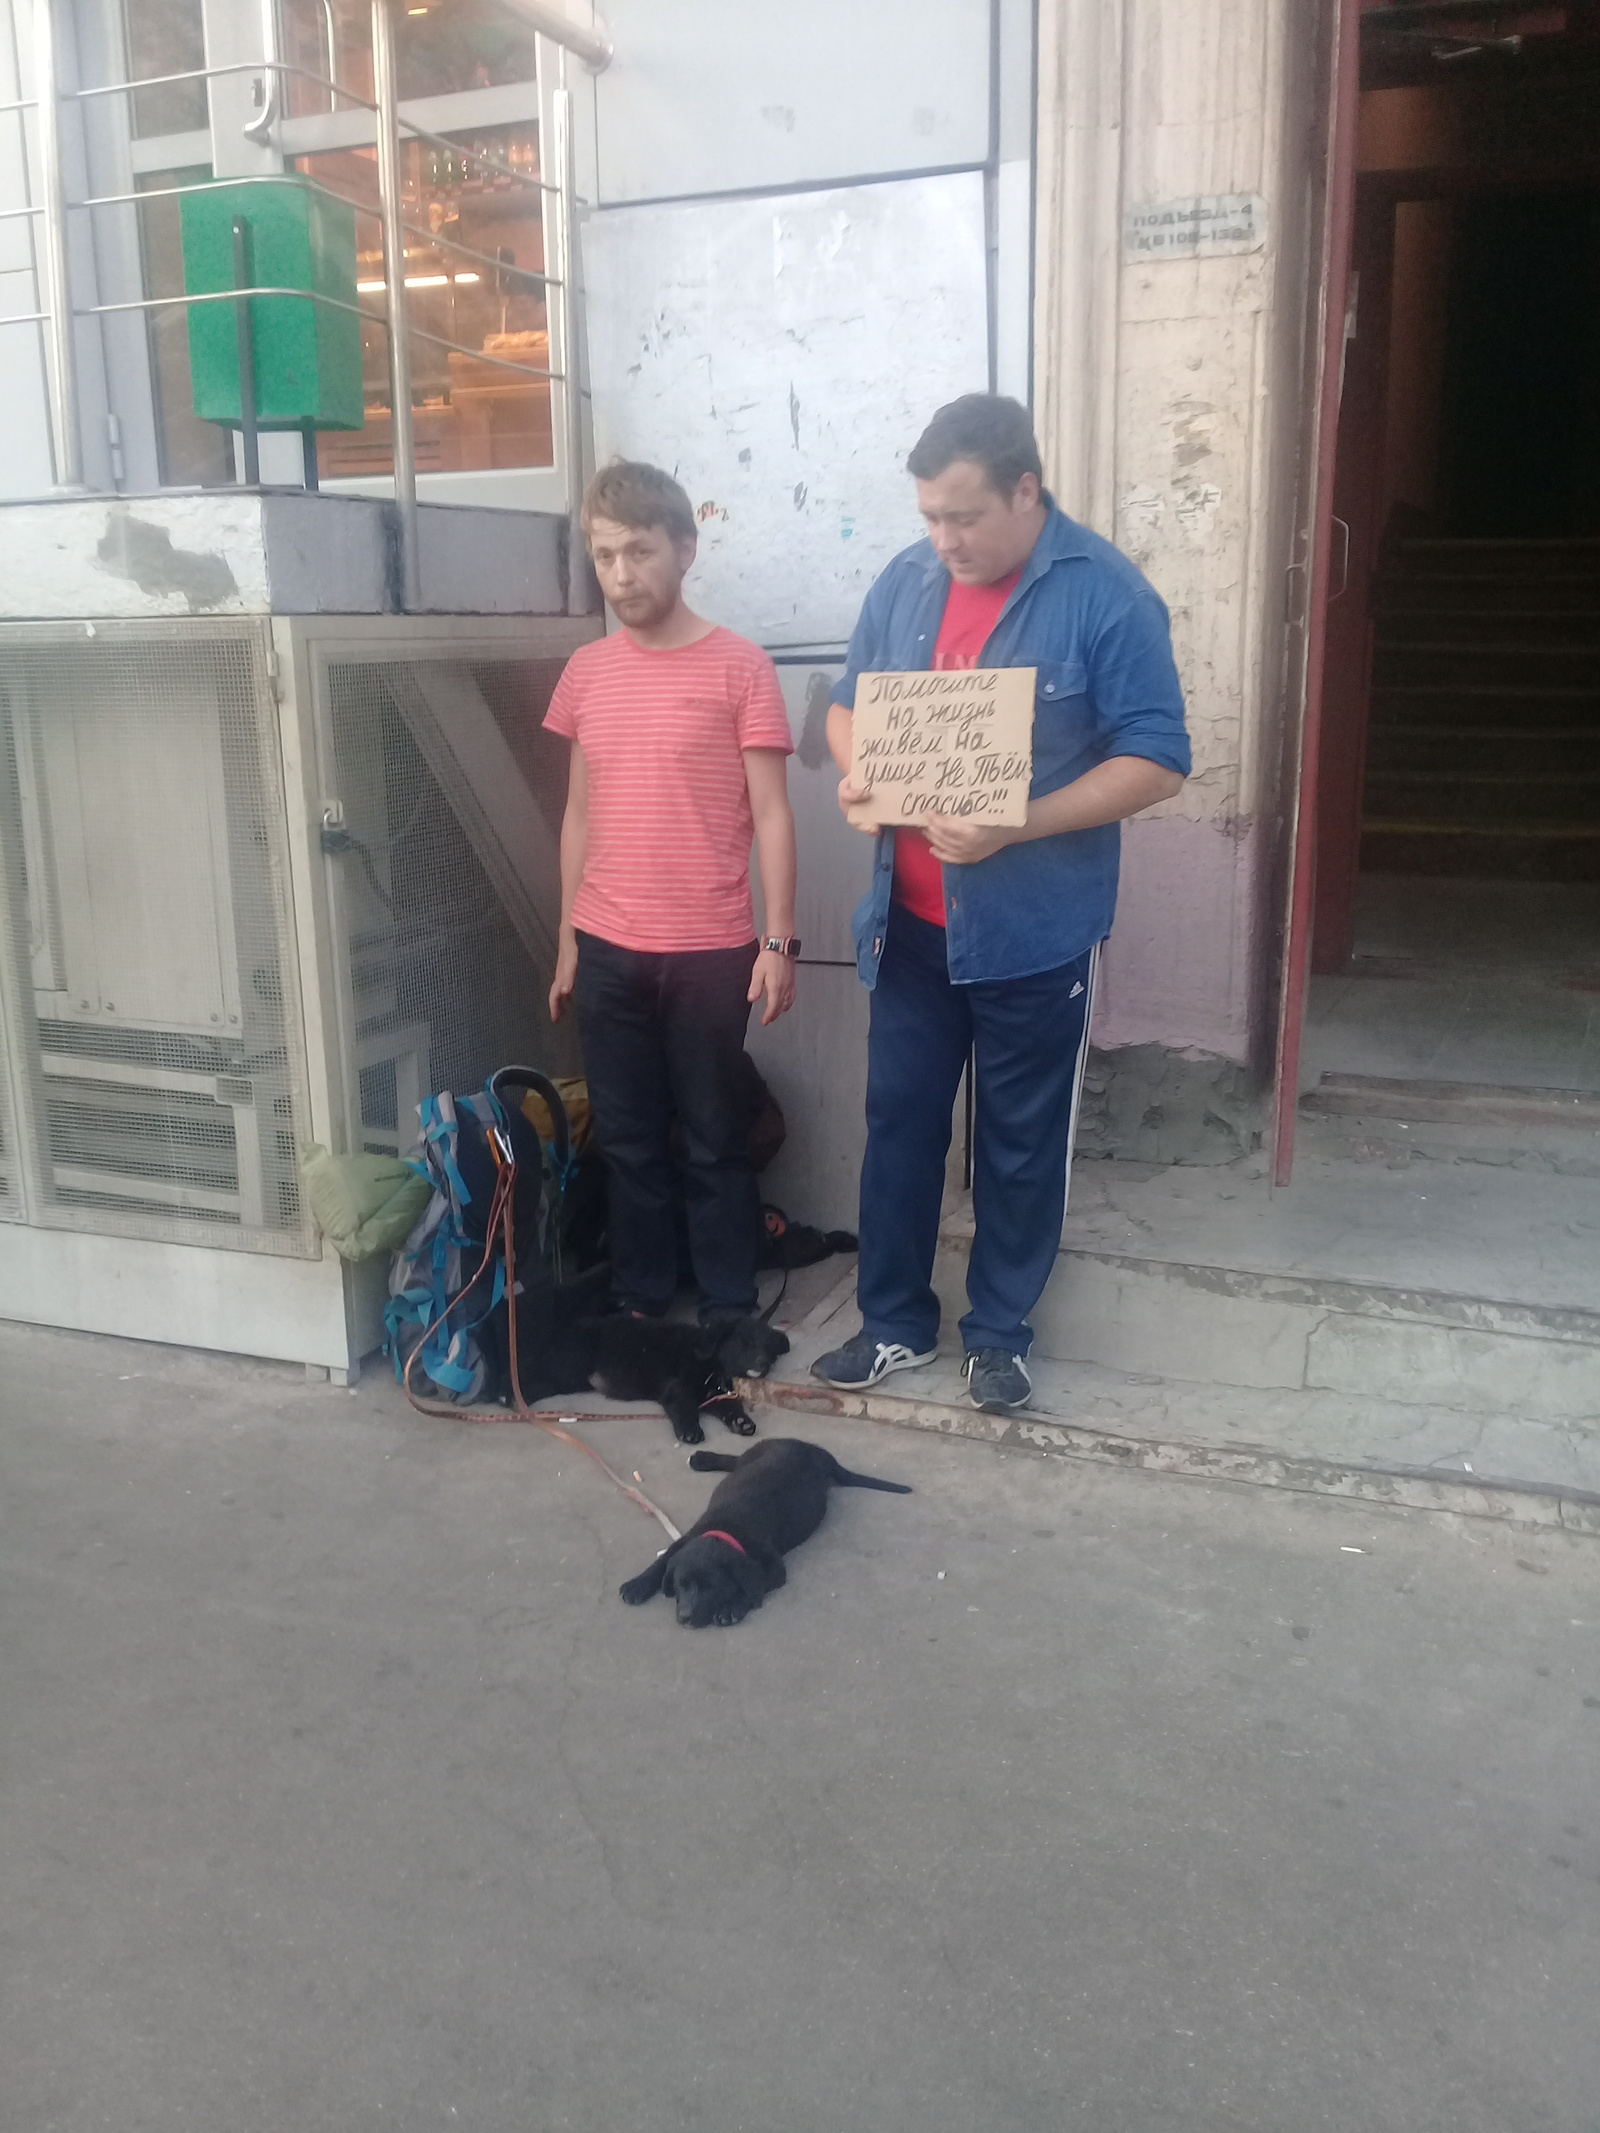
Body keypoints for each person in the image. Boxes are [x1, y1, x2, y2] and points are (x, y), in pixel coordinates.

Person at [813, 394, 1190, 1412]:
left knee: (1019, 1141)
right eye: (930, 516)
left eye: (964, 516)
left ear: (1027, 490)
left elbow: (1158, 760)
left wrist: (1015, 823)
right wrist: (861, 773)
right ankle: (893, 1322)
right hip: (909, 927)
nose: (944, 539)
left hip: (1033, 932)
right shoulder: (906, 580)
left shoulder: (1107, 596)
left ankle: (998, 1334)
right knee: (899, 1124)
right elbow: (847, 708)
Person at [545, 460, 800, 1326]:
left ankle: (728, 1307)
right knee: (626, 1141)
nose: (621, 575)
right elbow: (579, 813)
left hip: (709, 951)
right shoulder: (585, 672)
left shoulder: (741, 668)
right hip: (607, 946)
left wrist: (778, 942)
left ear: (685, 549)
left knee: (713, 1138)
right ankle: (642, 1303)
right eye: (604, 555)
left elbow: (773, 813)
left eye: (639, 552)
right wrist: (567, 939)